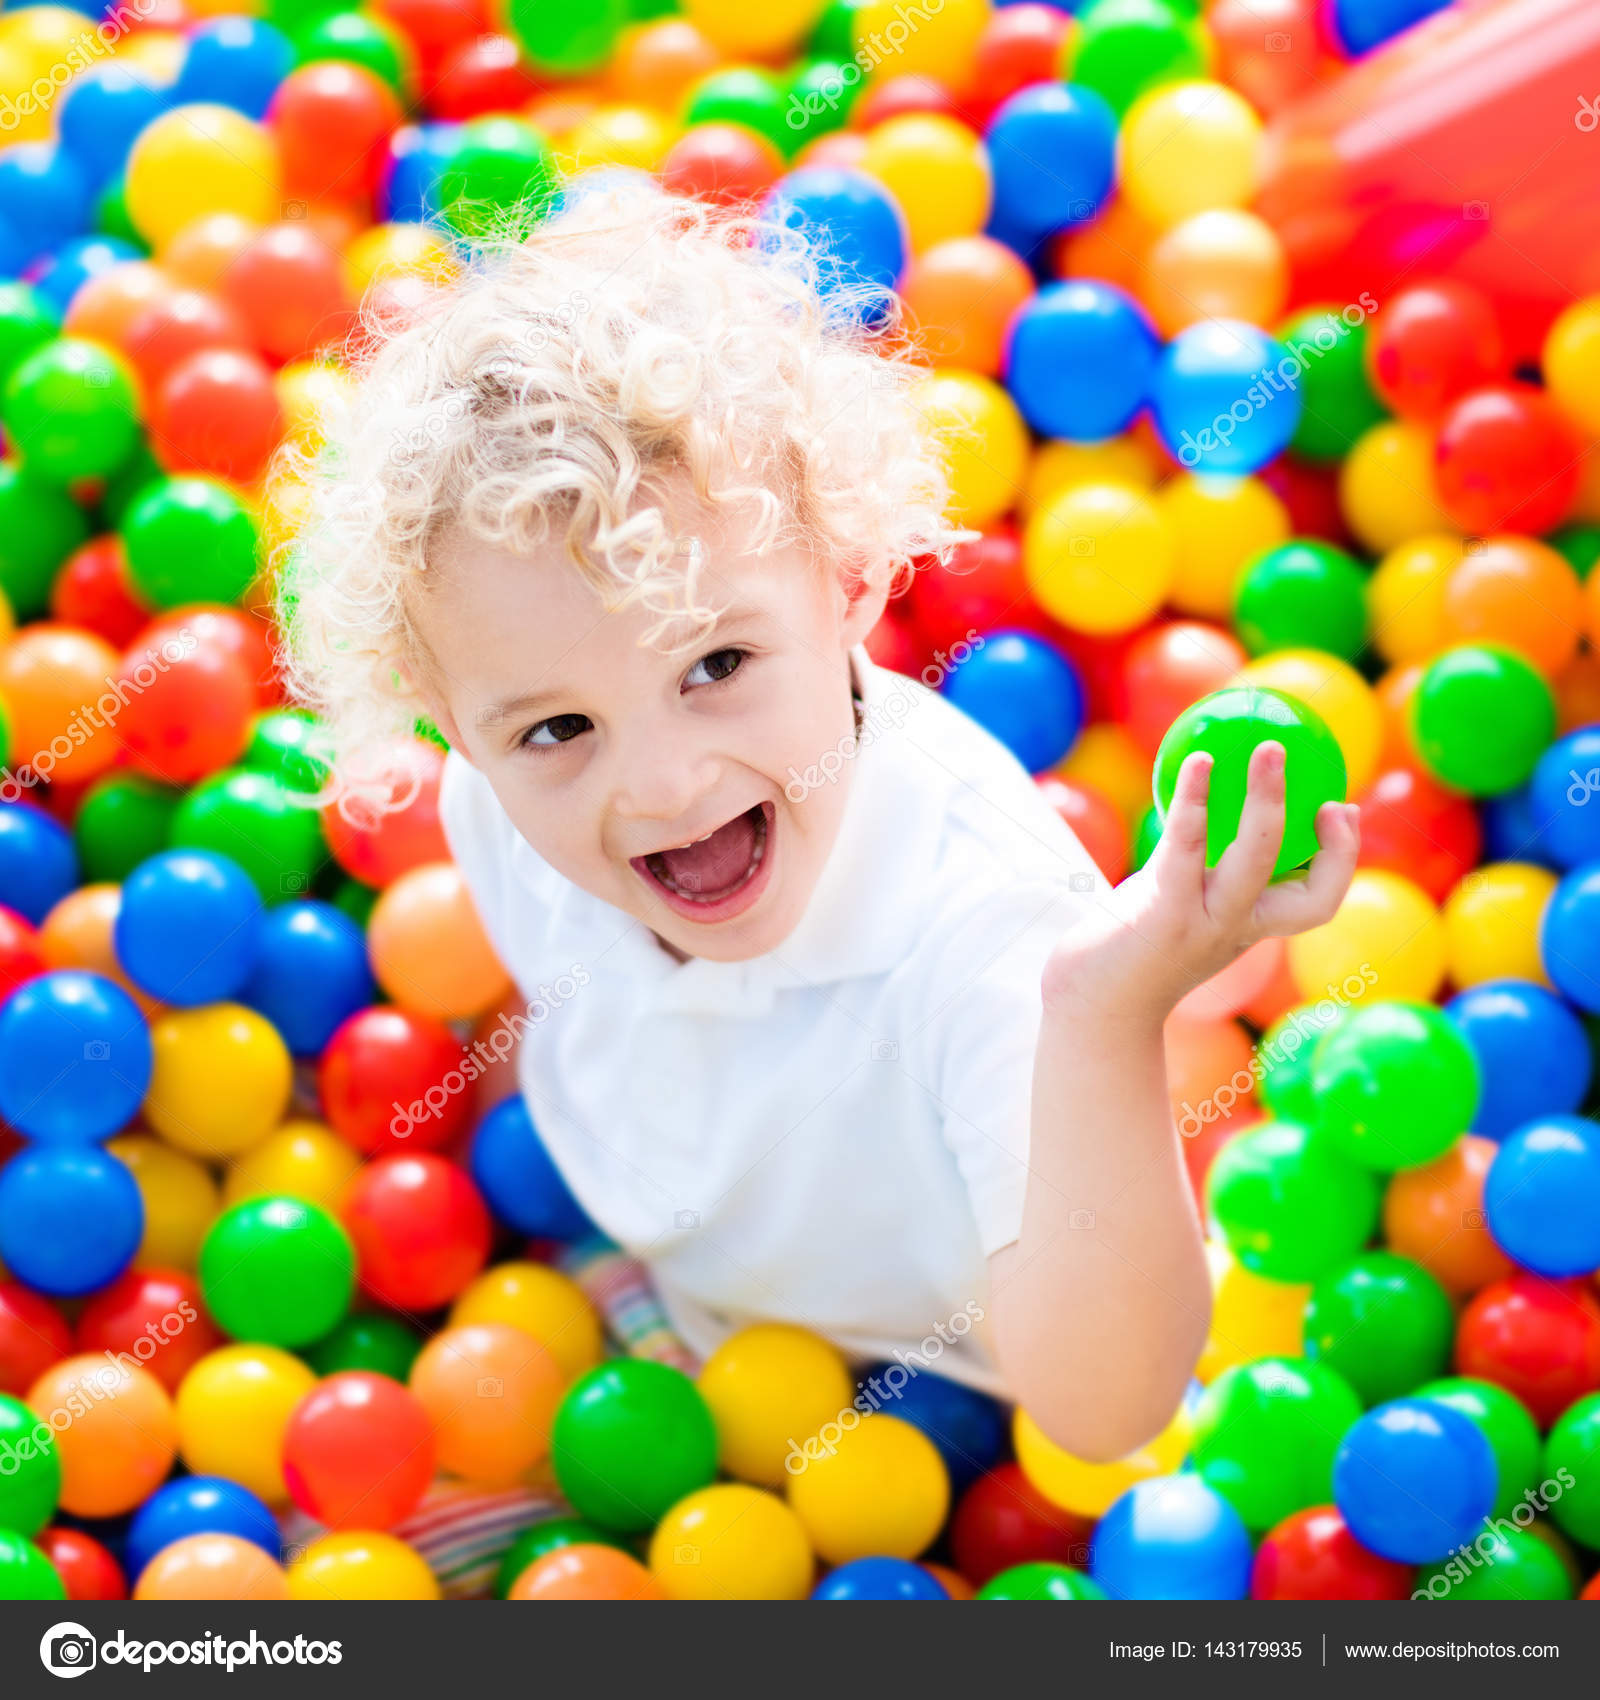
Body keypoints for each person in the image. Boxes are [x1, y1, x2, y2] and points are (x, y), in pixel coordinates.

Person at [279, 179, 1359, 1462]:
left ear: (846, 583)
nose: (666, 785)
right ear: (451, 724)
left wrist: (1105, 1014)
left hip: (953, 1383)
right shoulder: (494, 797)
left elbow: (1107, 1405)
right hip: (680, 1313)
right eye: (559, 730)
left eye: (717, 666)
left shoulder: (992, 934)